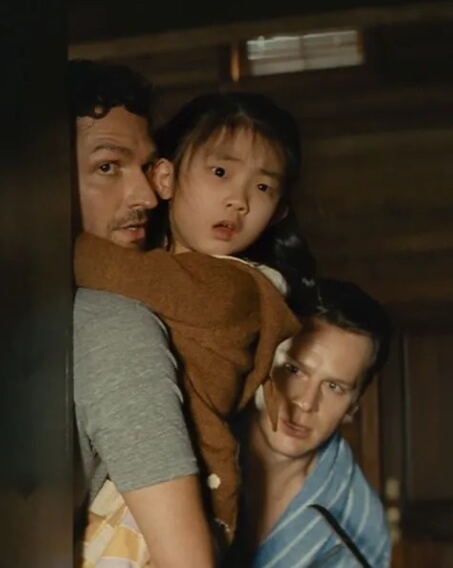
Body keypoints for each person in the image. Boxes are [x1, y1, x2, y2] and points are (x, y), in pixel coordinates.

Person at [77, 91, 315, 562]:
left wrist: (35, 233)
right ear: (165, 177)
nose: (239, 201)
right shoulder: (160, 269)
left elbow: (104, 269)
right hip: (140, 491)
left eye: (263, 188)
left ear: (279, 211)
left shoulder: (236, 289)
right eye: (221, 172)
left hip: (176, 502)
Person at [69, 59, 215, 568]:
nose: (147, 196)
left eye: (147, 167)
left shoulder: (111, 318)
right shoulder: (113, 324)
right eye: (108, 166)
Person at [238, 277, 392, 567]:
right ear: (262, 361)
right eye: (293, 369)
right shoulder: (195, 444)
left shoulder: (358, 520)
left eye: (334, 387)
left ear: (354, 405)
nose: (306, 402)